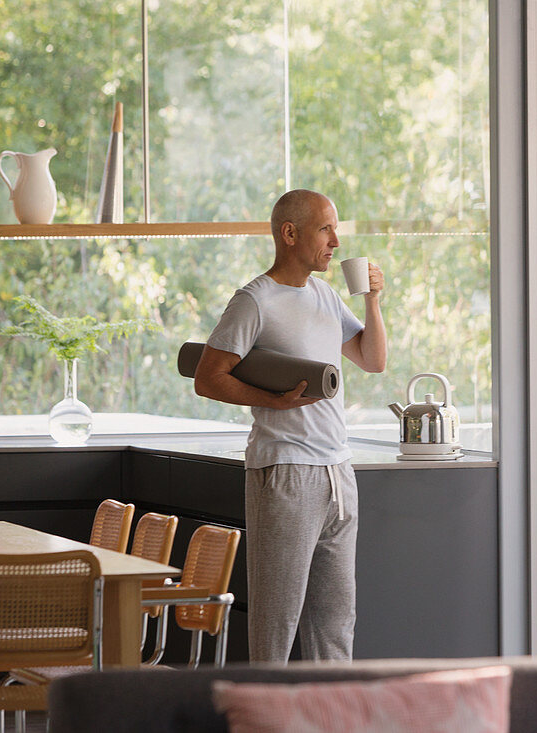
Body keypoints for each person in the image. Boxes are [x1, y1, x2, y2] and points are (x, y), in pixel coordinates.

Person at [193, 189, 386, 662]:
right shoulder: (254, 300)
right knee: (276, 623)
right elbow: (207, 377)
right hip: (285, 473)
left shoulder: (324, 294)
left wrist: (373, 302)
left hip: (337, 473)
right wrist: (270, 401)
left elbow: (372, 359)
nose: (335, 240)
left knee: (336, 625)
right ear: (290, 233)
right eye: (326, 228)